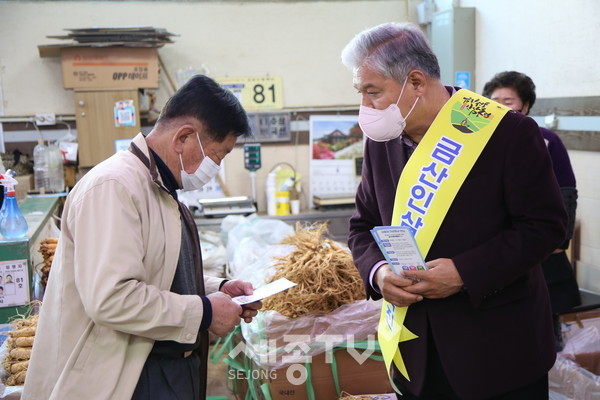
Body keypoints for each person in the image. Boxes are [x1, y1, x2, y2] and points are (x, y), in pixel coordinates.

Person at [341, 23, 567, 399]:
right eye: (360, 92)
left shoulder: (507, 132)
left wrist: (465, 272)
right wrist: (378, 273)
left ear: (415, 82)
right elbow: (362, 226)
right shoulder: (381, 140)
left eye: (372, 92)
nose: (365, 107)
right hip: (414, 354)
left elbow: (545, 227)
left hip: (497, 352)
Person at [23, 75, 262, 400]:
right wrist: (205, 312)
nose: (215, 168)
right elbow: (112, 298)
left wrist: (218, 289)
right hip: (127, 378)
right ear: (185, 137)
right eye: (217, 156)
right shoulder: (114, 187)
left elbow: (157, 270)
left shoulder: (158, 187)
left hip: (165, 365)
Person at [483, 72, 581, 346]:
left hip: (540, 247)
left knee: (543, 323)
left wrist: (560, 241)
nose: (501, 105)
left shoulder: (546, 139)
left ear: (525, 106)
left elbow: (566, 192)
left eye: (509, 100)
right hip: (496, 249)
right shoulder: (477, 141)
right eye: (494, 100)